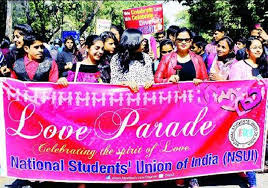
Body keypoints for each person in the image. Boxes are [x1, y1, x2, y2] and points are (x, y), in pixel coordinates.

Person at [110, 28, 154, 93]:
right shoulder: (116, 59)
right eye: (141, 41)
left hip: (142, 97)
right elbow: (113, 82)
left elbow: (150, 78)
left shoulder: (146, 57)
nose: (144, 43)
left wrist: (150, 83)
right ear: (133, 42)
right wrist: (126, 84)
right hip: (125, 98)